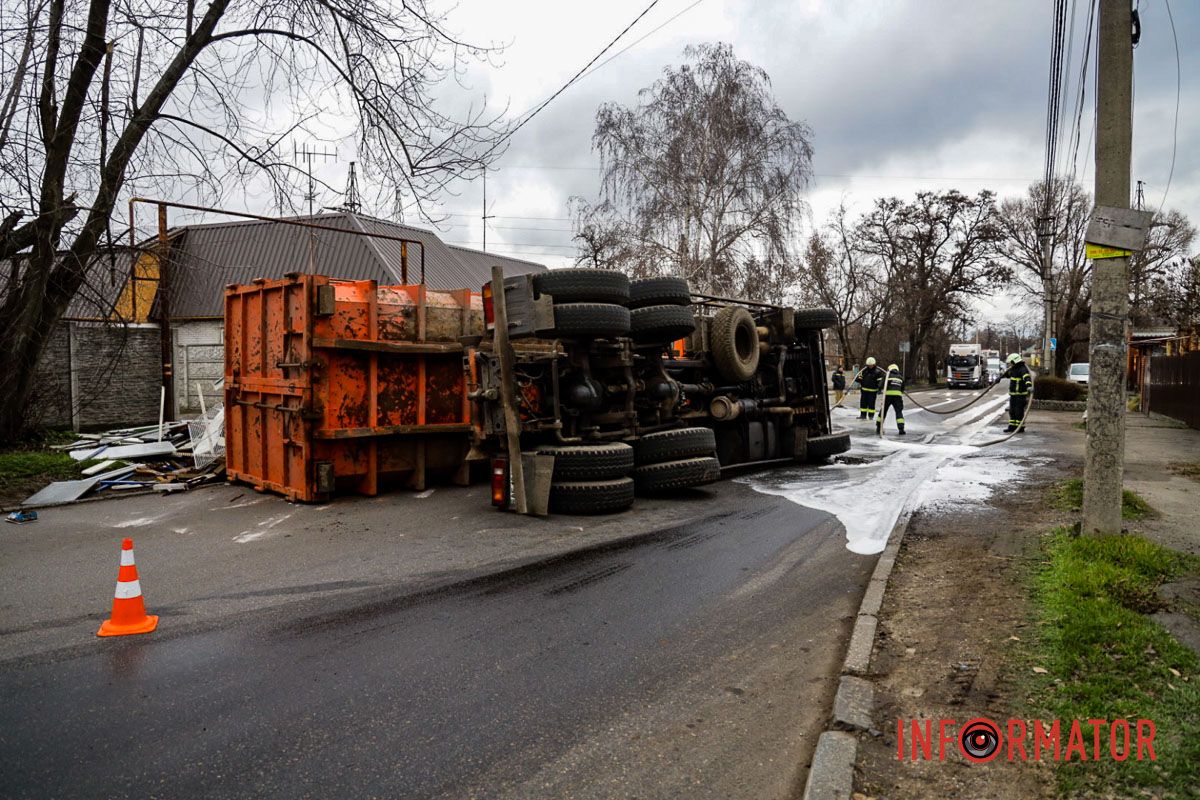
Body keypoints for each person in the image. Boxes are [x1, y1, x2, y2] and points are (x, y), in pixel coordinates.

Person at [1003, 352, 1033, 432]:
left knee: (1018, 412)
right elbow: (1008, 375)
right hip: (1013, 395)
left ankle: (1020, 427)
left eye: (1011, 363)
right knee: (1012, 411)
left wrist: (1029, 386)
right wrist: (1000, 377)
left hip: (1020, 395)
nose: (1010, 364)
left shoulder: (1023, 369)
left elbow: (1027, 378)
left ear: (1014, 361)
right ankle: (1012, 427)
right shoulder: (1014, 369)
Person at [877, 363, 906, 436]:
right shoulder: (900, 377)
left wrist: (879, 390)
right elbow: (902, 388)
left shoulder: (887, 375)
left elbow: (880, 385)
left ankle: (878, 427)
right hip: (897, 397)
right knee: (899, 412)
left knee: (883, 411)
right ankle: (901, 429)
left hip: (888, 396)